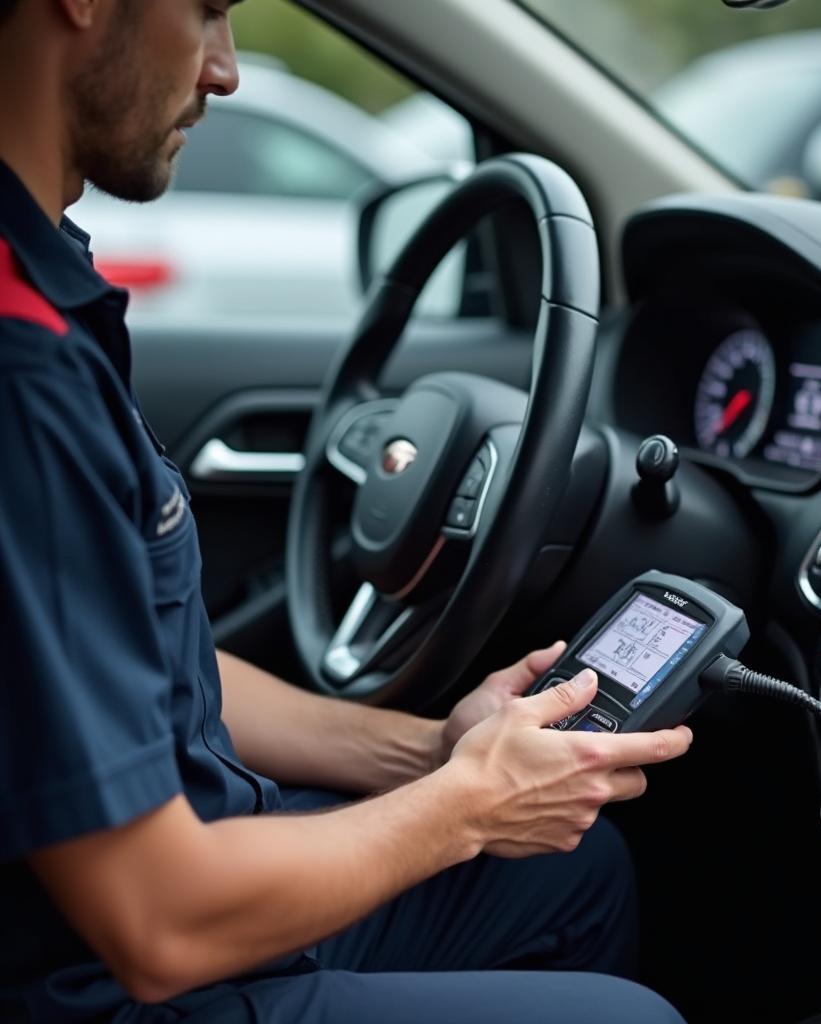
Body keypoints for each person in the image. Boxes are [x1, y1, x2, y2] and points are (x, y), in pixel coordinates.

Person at [0, 2, 694, 1021]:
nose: (226, 71)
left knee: (574, 873)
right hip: (107, 978)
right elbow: (159, 923)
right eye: (206, 13)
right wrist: (466, 804)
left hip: (163, 885)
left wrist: (430, 753)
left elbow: (134, 649)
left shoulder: (44, 278)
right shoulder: (24, 372)